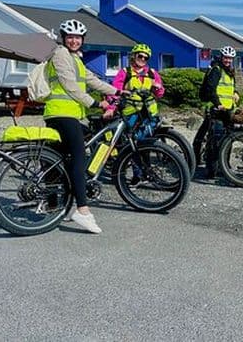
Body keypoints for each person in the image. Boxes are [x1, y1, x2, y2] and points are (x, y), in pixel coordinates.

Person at [44, 19, 120, 234]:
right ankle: (82, 210)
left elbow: (92, 80)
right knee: (79, 157)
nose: (74, 40)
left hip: (70, 115)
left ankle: (54, 204)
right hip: (61, 114)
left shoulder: (75, 59)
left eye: (78, 37)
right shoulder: (60, 55)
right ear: (63, 38)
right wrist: (96, 103)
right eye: (70, 36)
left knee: (59, 159)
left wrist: (117, 92)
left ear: (82, 40)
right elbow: (70, 87)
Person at [108, 43, 165, 185]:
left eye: (146, 58)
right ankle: (138, 175)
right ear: (133, 56)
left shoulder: (152, 73)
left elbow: (160, 93)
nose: (142, 59)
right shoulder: (125, 72)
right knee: (134, 143)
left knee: (146, 144)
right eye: (140, 56)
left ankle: (147, 173)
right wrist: (111, 106)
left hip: (149, 114)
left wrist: (158, 88)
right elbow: (114, 91)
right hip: (131, 113)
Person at [193, 46, 239, 178]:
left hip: (228, 110)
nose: (228, 60)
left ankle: (224, 166)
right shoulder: (216, 70)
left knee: (228, 139)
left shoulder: (229, 72)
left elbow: (230, 88)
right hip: (216, 110)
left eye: (230, 58)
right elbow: (210, 89)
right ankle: (211, 169)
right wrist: (218, 104)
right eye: (226, 58)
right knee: (215, 140)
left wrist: (236, 93)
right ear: (221, 57)